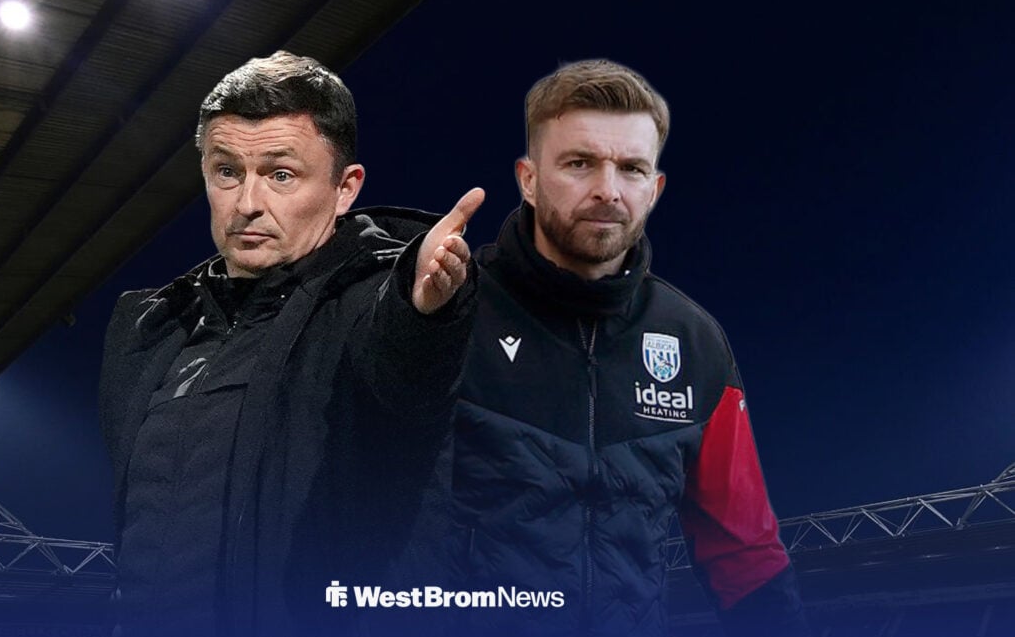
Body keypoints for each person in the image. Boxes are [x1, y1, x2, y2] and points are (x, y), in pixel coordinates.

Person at [98, 51, 483, 637]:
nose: (247, 203)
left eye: (281, 175)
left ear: (345, 188)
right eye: (227, 171)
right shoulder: (153, 327)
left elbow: (407, 374)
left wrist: (423, 308)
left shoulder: (368, 306)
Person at [449, 59, 812, 636]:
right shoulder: (450, 309)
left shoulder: (695, 341)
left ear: (655, 188)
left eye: (632, 168)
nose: (608, 190)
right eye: (579, 163)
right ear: (528, 179)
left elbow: (744, 553)